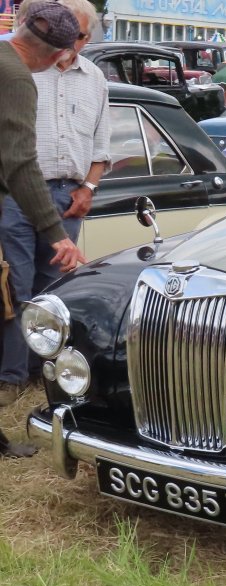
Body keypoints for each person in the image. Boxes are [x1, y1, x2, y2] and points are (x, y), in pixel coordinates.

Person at [0, 0, 109, 409]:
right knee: (15, 286)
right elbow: (19, 163)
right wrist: (56, 234)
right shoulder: (19, 77)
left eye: (82, 36)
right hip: (20, 196)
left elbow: (102, 144)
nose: (75, 46)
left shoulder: (93, 78)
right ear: (55, 50)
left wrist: (88, 187)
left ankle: (42, 371)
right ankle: (11, 375)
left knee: (50, 292)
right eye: (71, 37)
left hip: (67, 192)